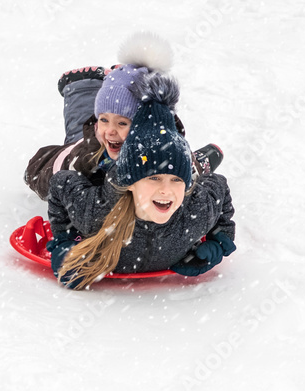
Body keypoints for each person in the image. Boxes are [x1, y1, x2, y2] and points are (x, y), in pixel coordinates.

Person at [46, 71, 236, 289]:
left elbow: (219, 186)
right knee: (79, 144)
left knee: (176, 162)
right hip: (95, 156)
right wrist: (65, 240)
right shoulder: (96, 213)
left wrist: (219, 238)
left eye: (176, 180)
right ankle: (83, 86)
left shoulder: (195, 213)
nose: (166, 191)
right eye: (154, 178)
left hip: (158, 152)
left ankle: (193, 164)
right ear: (130, 184)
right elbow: (61, 183)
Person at [23, 33, 219, 200]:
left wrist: (191, 170)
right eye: (104, 120)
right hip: (87, 147)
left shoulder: (166, 145)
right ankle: (82, 86)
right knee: (83, 133)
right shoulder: (86, 156)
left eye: (123, 123)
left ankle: (120, 81)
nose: (110, 129)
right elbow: (43, 176)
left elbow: (180, 178)